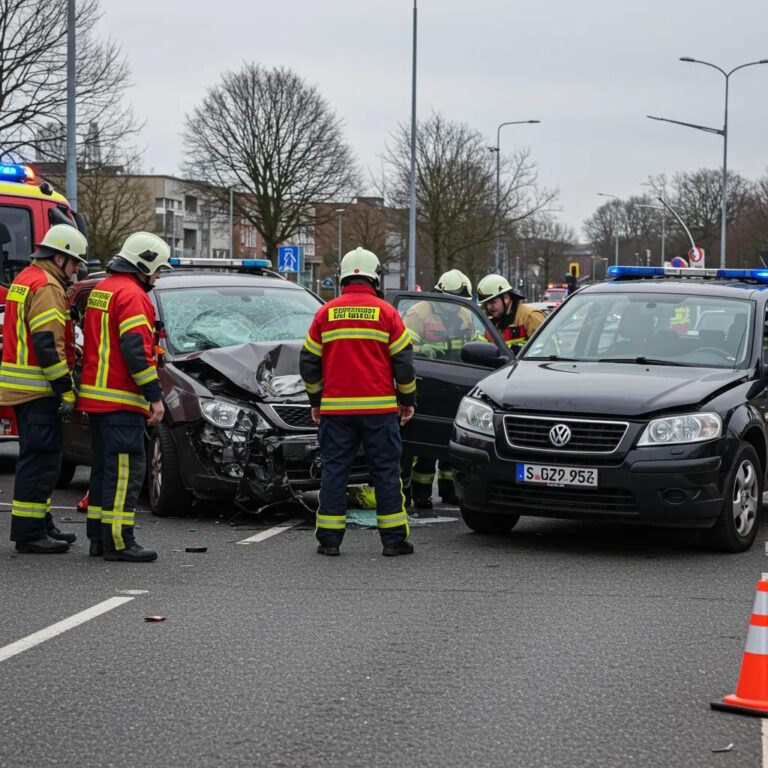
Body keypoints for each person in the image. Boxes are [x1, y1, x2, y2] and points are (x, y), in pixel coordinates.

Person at [300, 246, 416, 557]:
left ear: (342, 279)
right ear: (376, 278)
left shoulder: (325, 313)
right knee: (386, 473)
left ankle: (329, 540)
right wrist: (407, 400)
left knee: (335, 472)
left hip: (336, 411)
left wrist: (316, 399)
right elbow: (403, 364)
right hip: (379, 411)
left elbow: (309, 361)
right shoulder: (387, 314)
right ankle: (394, 541)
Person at [77, 232, 171, 562]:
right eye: (157, 270)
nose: (158, 278)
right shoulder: (132, 296)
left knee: (104, 471)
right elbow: (135, 351)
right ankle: (119, 541)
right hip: (121, 400)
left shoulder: (103, 290)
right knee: (126, 473)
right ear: (143, 265)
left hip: (97, 399)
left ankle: (99, 538)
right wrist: (154, 396)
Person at [0, 224, 87, 553]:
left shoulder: (25, 278)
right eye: (74, 262)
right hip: (37, 389)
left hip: (20, 387)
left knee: (42, 459)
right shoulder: (48, 286)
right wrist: (64, 387)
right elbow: (45, 342)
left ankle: (40, 522)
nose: (76, 269)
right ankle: (29, 533)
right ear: (59, 256)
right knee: (39, 461)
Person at [401, 269, 474, 511]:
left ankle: (449, 490)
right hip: (427, 381)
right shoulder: (417, 313)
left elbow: (475, 341)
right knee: (424, 444)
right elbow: (404, 345)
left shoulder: (465, 314)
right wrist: (424, 349)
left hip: (457, 382)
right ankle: (419, 493)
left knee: (450, 441)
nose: (454, 307)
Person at [477, 274, 546, 350]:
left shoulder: (530, 317)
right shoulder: (493, 320)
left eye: (492, 302)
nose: (489, 307)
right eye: (486, 303)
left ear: (506, 298)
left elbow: (546, 350)